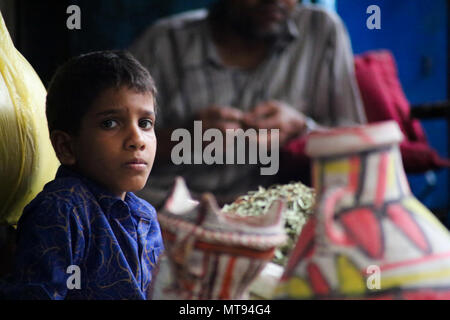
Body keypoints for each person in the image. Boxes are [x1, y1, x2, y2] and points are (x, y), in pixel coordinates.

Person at [130, 0, 366, 207]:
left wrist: (301, 129)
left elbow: (359, 149)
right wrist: (184, 138)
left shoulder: (320, 31)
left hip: (267, 216)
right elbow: (105, 151)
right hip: (167, 210)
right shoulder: (164, 42)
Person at [0, 51, 164, 300]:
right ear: (66, 147)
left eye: (145, 123)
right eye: (110, 123)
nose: (137, 139)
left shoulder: (145, 214)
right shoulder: (63, 209)